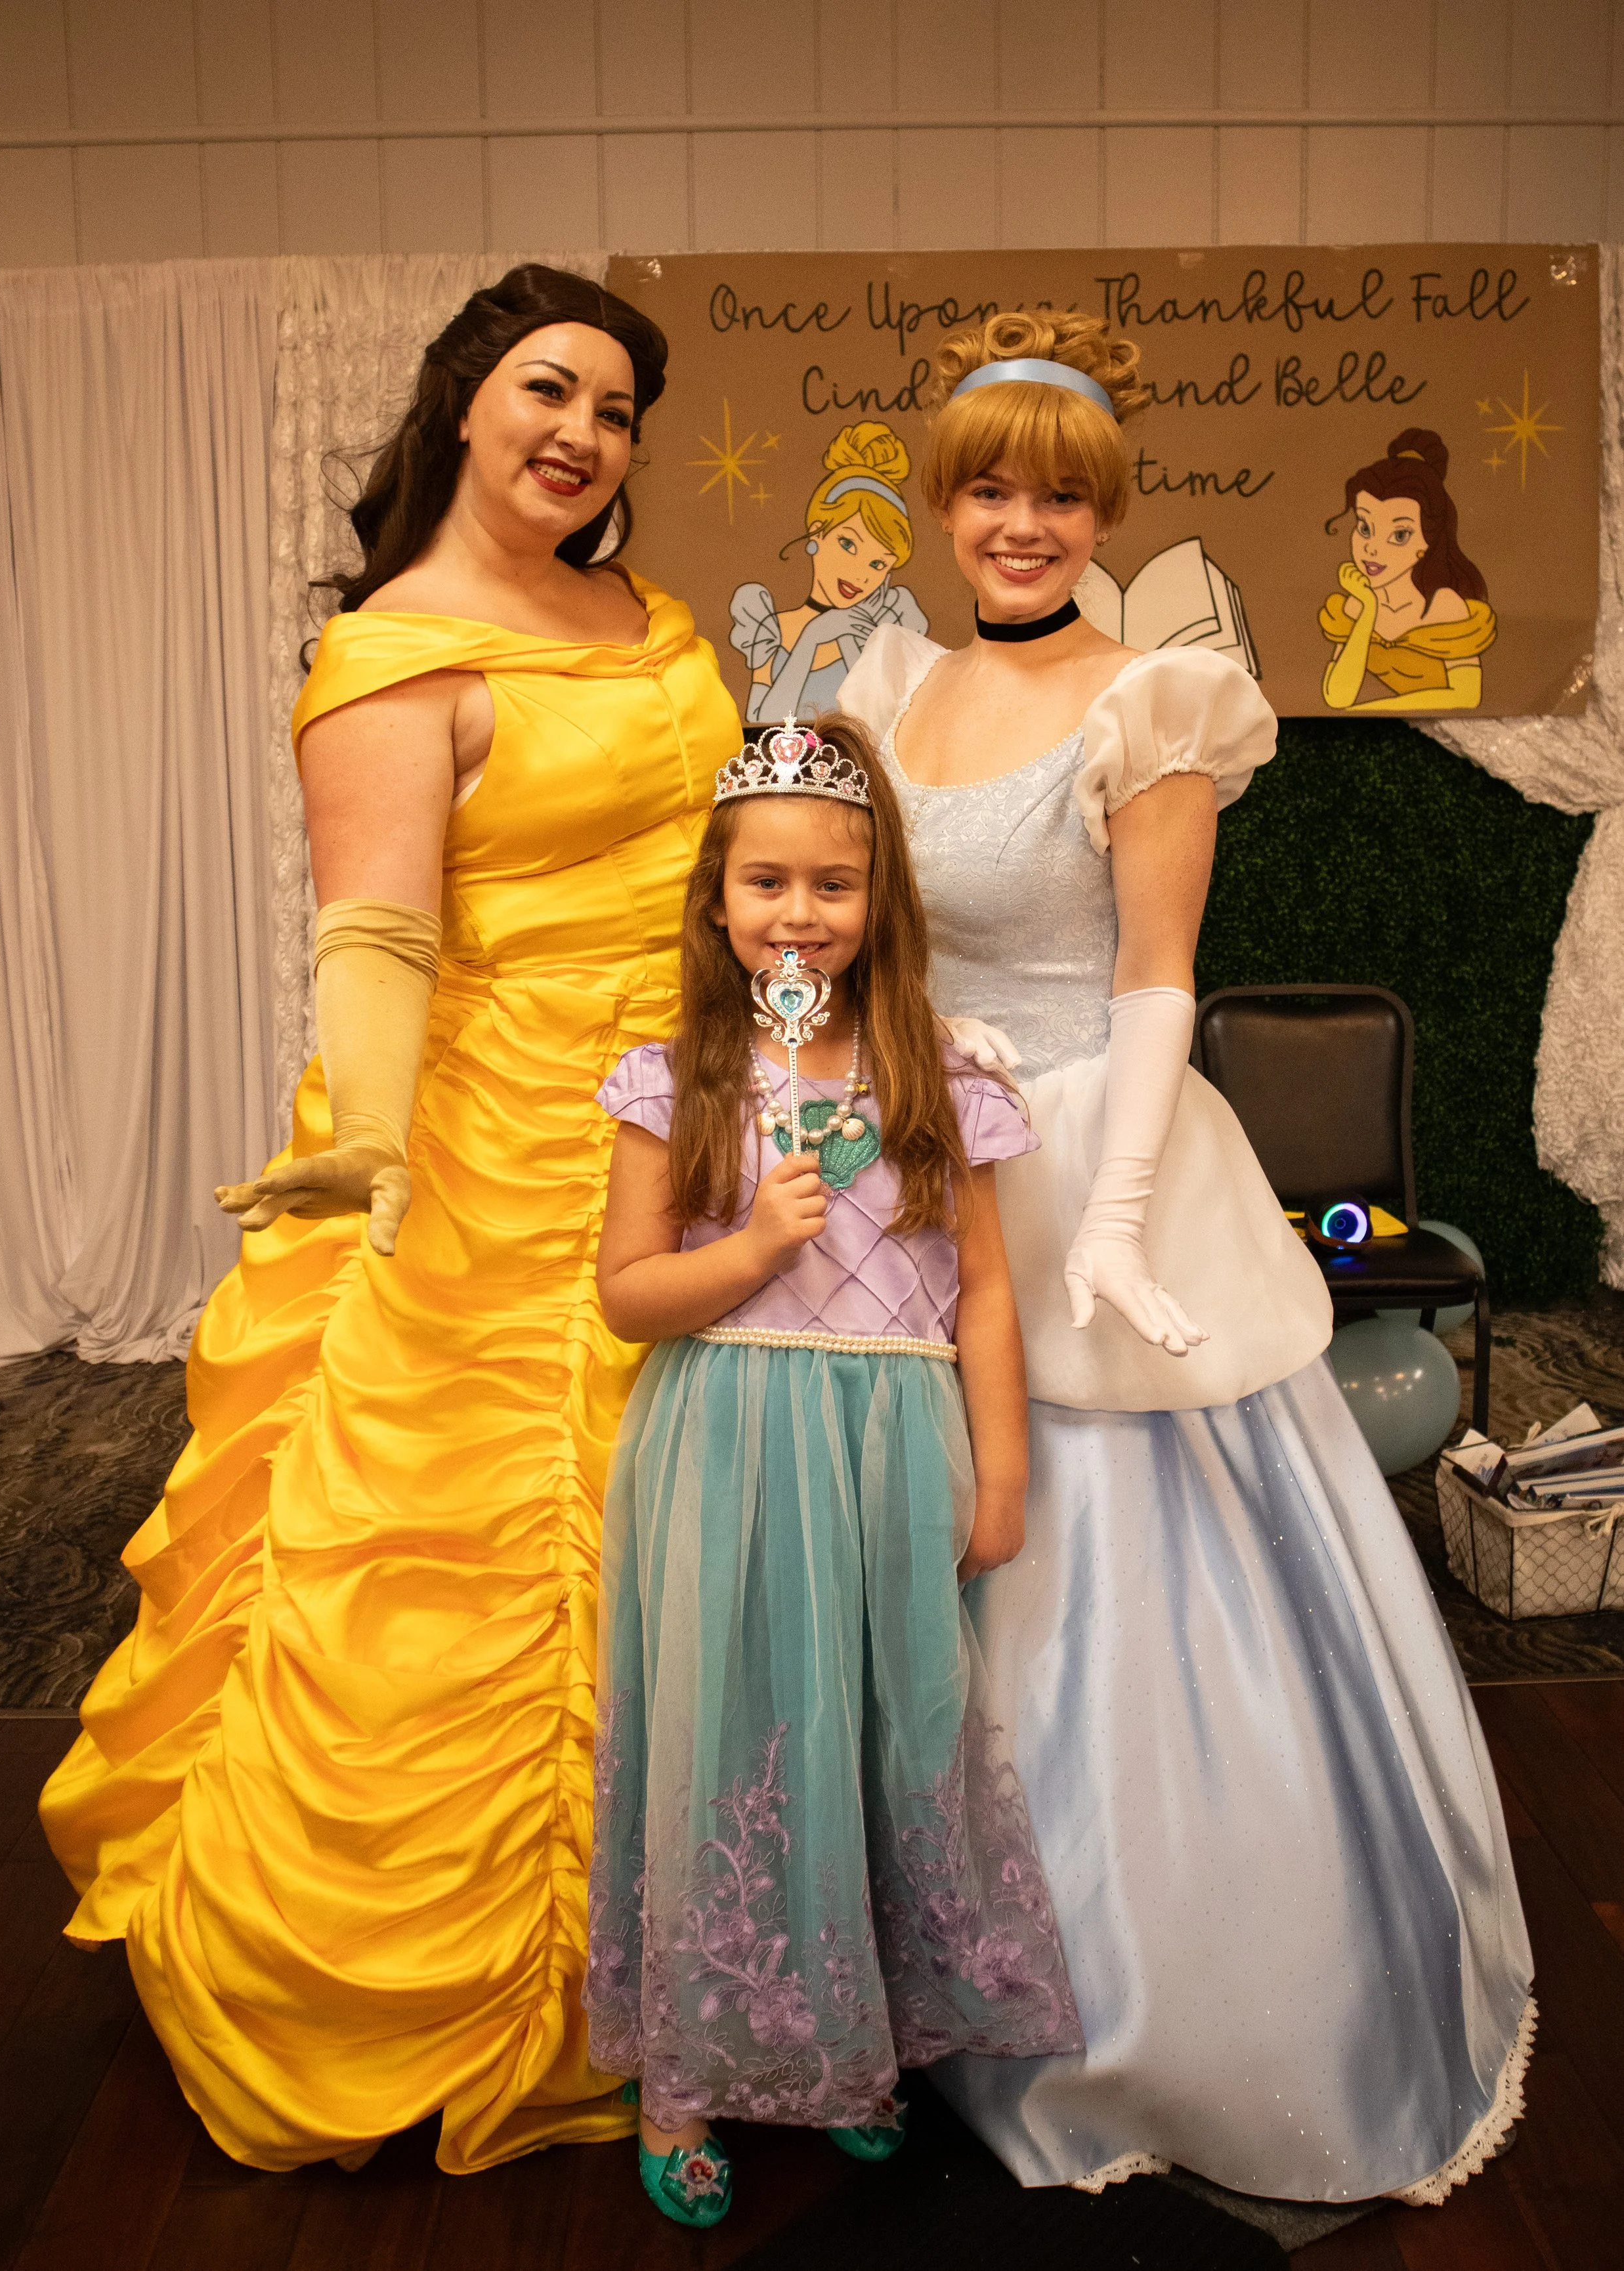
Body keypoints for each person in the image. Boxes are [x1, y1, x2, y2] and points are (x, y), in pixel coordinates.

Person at [39, 265, 742, 2175]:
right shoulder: (395, 656)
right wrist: (363, 1151)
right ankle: (455, 1989)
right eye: (546, 388)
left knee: (704, 1551)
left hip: (693, 1131)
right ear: (458, 400)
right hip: (485, 1162)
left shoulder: (640, 614)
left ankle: (711, 1971)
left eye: (610, 408)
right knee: (469, 1575)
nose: (579, 435)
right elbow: (373, 935)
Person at [840, 311, 1535, 2206]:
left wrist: (1119, 1222)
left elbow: (1156, 975)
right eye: (987, 486)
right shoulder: (881, 684)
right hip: (916, 1169)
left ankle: (1159, 2015)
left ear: (1099, 511)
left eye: (1056, 494)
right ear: (942, 501)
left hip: (1090, 1160)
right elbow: (824, 913)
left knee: (1109, 1590)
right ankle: (907, 1992)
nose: (1018, 523)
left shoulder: (1155, 696)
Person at [582, 714, 1081, 2228]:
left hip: (889, 1450)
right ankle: (684, 2071)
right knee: (725, 1747)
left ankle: (848, 2054)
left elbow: (982, 1290)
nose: (800, 913)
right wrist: (746, 1247)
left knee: (877, 1745)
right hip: (727, 1449)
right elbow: (624, 1294)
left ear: (882, 904)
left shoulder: (933, 1072)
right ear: (717, 902)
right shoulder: (678, 1079)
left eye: (834, 886)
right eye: (768, 884)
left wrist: (998, 1478)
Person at [731, 421, 928, 723]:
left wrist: (851, 635)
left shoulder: (883, 637)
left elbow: (883, 729)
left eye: (878, 564)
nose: (861, 576)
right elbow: (764, 724)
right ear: (817, 534)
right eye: (849, 544)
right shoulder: (770, 629)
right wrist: (812, 637)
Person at [1320, 427, 1496, 711]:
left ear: (1426, 542)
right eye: (1364, 528)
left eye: (1399, 535)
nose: (1372, 549)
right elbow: (1337, 697)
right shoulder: (1357, 605)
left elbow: (1467, 696)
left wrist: (1369, 710)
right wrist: (1368, 610)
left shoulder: (1444, 607)